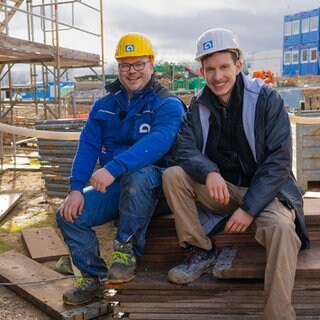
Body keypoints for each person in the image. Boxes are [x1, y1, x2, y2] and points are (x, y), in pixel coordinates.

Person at [162, 28, 310, 320]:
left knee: (282, 230)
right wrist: (210, 172)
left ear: (239, 65)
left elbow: (278, 161)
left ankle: (277, 315)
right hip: (223, 190)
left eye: (224, 67)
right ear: (202, 71)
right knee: (174, 175)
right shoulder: (198, 105)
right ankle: (200, 251)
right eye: (210, 69)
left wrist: (249, 208)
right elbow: (184, 149)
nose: (218, 77)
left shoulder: (267, 99)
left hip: (266, 193)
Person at [56, 32, 185, 306]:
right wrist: (75, 188)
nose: (132, 71)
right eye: (125, 65)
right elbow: (88, 146)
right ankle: (92, 277)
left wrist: (113, 168)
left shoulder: (168, 104)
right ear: (118, 67)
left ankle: (125, 251)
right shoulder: (104, 106)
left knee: (138, 176)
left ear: (151, 64)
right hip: (119, 187)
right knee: (69, 214)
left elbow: (158, 142)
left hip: (157, 189)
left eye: (139, 63)